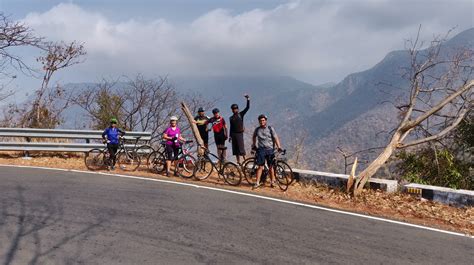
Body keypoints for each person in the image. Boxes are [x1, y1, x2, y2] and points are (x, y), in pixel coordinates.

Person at [251, 114, 283, 189]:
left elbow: (276, 138)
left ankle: (272, 182)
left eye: (263, 120)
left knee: (271, 166)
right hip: (261, 150)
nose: (262, 122)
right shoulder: (257, 129)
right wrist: (253, 144)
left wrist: (279, 147)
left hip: (270, 150)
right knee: (260, 167)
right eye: (260, 120)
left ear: (265, 121)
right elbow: (254, 137)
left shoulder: (270, 128)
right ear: (259, 121)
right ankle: (257, 182)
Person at [229, 94, 250, 164]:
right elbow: (231, 127)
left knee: (241, 148)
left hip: (239, 133)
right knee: (235, 149)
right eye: (233, 109)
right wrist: (230, 136)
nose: (235, 110)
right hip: (233, 134)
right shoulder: (231, 118)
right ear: (232, 110)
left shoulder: (241, 114)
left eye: (236, 109)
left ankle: (245, 161)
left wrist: (248, 99)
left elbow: (247, 108)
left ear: (237, 109)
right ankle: (238, 162)